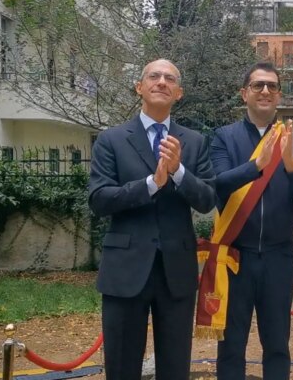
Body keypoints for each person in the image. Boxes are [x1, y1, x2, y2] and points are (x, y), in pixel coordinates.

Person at [88, 59, 216, 380]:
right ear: (139, 87)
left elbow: (207, 199)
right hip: (125, 269)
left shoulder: (194, 142)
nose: (162, 82)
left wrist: (178, 171)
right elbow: (99, 199)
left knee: (175, 368)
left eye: (170, 78)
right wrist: (151, 184)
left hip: (176, 271)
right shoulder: (111, 140)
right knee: (121, 367)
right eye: (154, 76)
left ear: (179, 93)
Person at [210, 62, 293, 380]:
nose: (265, 91)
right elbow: (218, 184)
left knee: (277, 344)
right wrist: (256, 165)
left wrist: (291, 163)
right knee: (231, 344)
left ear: (279, 95)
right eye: (258, 85)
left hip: (278, 255)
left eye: (272, 86)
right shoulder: (223, 138)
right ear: (245, 93)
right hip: (235, 256)